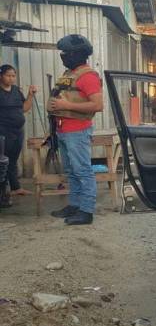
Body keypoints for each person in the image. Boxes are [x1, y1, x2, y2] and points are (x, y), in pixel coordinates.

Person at [47, 35, 103, 226]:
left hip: (77, 130)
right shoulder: (69, 74)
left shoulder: (88, 76)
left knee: (83, 171)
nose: (63, 56)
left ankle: (86, 211)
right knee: (71, 171)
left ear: (77, 54)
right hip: (62, 129)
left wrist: (66, 104)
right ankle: (74, 205)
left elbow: (97, 105)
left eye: (66, 53)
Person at [0, 64, 37, 205]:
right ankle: (3, 194)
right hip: (3, 132)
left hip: (17, 131)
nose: (11, 78)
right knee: (3, 162)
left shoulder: (16, 91)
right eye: (8, 75)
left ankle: (16, 188)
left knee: (13, 160)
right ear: (1, 76)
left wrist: (30, 95)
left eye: (13, 75)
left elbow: (24, 108)